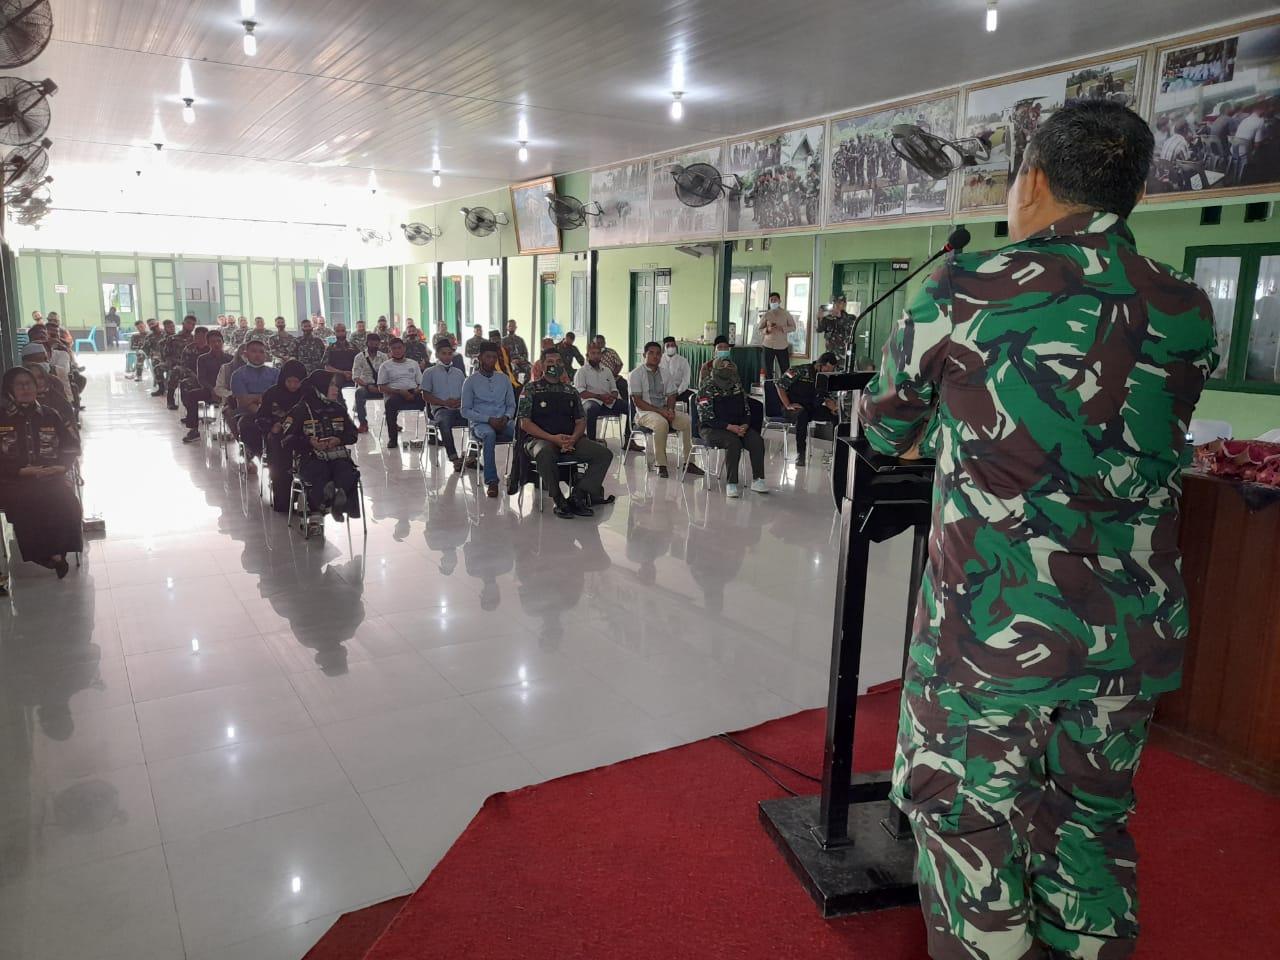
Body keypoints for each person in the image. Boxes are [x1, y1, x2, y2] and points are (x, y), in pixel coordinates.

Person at [858, 101, 1218, 960]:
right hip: (1129, 630)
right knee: (1089, 817)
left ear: (1035, 181)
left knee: (964, 817)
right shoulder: (1184, 305)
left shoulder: (964, 287)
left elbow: (883, 428)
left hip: (994, 627)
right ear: (1133, 194)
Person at [0, 367, 81, 578]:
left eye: (29, 383)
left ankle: (58, 553)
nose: (25, 388)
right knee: (27, 505)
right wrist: (19, 471)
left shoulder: (51, 415)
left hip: (50, 477)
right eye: (20, 385)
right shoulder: (2, 419)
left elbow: (72, 446)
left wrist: (61, 467)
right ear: (10, 390)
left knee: (68, 504)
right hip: (14, 481)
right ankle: (45, 555)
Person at [517, 346, 614, 518]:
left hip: (570, 439)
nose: (555, 365)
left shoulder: (570, 390)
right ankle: (559, 499)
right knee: (545, 453)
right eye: (550, 362)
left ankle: (578, 495)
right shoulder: (531, 389)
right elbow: (525, 423)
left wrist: (573, 438)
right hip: (540, 439)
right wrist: (552, 438)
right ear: (542, 365)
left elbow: (580, 421)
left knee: (603, 454)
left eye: (558, 361)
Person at [282, 371, 361, 523]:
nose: (336, 389)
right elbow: (286, 440)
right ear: (319, 387)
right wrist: (309, 442)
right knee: (320, 472)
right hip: (309, 458)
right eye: (332, 385)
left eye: (336, 385)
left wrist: (338, 440)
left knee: (346, 471)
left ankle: (333, 502)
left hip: (336, 456)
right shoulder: (301, 410)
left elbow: (353, 434)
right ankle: (327, 503)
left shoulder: (338, 409)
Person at [628, 341, 702, 479]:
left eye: (658, 354)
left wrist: (671, 410)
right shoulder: (635, 374)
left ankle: (689, 463)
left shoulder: (664, 372)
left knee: (687, 421)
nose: (655, 356)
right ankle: (661, 464)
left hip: (664, 411)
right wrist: (660, 411)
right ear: (644, 355)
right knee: (661, 423)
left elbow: (672, 394)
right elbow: (637, 401)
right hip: (644, 413)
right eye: (651, 353)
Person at [696, 356, 767, 498]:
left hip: (738, 427)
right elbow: (707, 417)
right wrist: (729, 427)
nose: (726, 369)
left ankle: (758, 479)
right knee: (733, 442)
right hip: (712, 428)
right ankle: (731, 483)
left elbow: (746, 410)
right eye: (722, 366)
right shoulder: (706, 387)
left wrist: (745, 425)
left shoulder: (737, 385)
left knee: (757, 441)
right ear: (715, 368)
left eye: (729, 366)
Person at [462, 341, 516, 498]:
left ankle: (517, 475)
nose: (491, 360)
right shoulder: (470, 381)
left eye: (494, 357)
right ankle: (492, 481)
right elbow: (465, 410)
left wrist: (506, 417)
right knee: (489, 434)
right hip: (481, 424)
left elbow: (511, 405)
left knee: (522, 432)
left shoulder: (504, 379)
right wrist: (488, 419)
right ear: (480, 358)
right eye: (487, 357)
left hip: (503, 421)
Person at [254, 359, 309, 510]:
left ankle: (305, 496)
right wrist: (272, 427)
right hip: (278, 438)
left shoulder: (307, 394)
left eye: (297, 382)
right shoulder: (272, 393)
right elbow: (260, 418)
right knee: (279, 453)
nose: (293, 385)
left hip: (303, 435)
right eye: (289, 381)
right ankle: (282, 495)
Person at [776, 351, 841, 463]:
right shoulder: (799, 370)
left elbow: (826, 397)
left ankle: (837, 452)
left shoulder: (825, 377)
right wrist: (788, 404)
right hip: (793, 408)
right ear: (820, 364)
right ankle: (800, 455)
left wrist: (834, 408)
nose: (829, 371)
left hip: (812, 407)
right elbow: (780, 385)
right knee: (802, 415)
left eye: (831, 369)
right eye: (827, 368)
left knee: (836, 416)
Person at [229, 340, 279, 474]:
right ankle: (258, 456)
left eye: (261, 352)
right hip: (248, 414)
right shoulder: (238, 375)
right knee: (248, 425)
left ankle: (279, 461)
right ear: (246, 354)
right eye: (254, 351)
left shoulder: (275, 373)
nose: (258, 355)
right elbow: (243, 401)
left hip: (273, 412)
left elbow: (277, 396)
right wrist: (263, 398)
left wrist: (253, 397)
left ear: (265, 355)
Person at [421, 340, 469, 471]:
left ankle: (472, 456)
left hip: (459, 408)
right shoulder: (429, 372)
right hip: (440, 409)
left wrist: (460, 401)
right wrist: (444, 402)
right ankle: (454, 458)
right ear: (437, 355)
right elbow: (425, 396)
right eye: (443, 353)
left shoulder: (458, 373)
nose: (447, 356)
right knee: (444, 422)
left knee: (478, 421)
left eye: (449, 353)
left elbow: (466, 393)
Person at [181, 329, 231, 443]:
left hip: (227, 391)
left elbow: (235, 377)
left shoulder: (230, 358)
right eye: (213, 342)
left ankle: (234, 431)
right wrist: (212, 390)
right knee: (192, 395)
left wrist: (226, 392)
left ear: (223, 342)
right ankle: (194, 430)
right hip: (210, 390)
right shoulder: (202, 359)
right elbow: (201, 379)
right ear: (208, 344)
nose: (216, 344)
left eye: (219, 341)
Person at [376, 337, 424, 448]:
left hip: (413, 392)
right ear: (390, 350)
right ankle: (393, 439)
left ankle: (432, 436)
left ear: (404, 348)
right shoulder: (385, 366)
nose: (397, 351)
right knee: (390, 405)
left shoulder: (413, 363)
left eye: (399, 348)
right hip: (395, 394)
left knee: (429, 400)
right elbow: (381, 387)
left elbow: (421, 384)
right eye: (394, 348)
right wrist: (400, 392)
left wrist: (414, 392)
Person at [574, 339, 625, 441]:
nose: (596, 356)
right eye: (593, 353)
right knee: (591, 408)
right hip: (590, 401)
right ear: (587, 355)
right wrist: (600, 397)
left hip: (608, 402)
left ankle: (628, 439)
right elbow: (582, 393)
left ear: (601, 355)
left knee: (628, 406)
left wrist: (612, 397)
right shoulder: (582, 372)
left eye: (598, 353)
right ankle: (591, 441)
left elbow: (614, 389)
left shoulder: (607, 371)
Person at [758, 291, 797, 379]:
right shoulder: (767, 314)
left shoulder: (786, 313)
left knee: (785, 370)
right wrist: (767, 330)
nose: (773, 302)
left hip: (782, 345)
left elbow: (793, 327)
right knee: (767, 370)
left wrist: (782, 328)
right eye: (771, 300)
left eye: (775, 300)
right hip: (768, 345)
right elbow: (759, 329)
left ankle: (785, 386)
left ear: (779, 301)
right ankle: (769, 386)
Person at [351, 333, 384, 432]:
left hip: (381, 385)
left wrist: (381, 387)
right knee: (359, 393)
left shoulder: (383, 357)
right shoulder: (359, 357)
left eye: (376, 344)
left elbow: (388, 375)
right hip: (365, 385)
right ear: (367, 343)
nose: (374, 346)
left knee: (393, 394)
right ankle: (363, 423)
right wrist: (367, 386)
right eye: (371, 344)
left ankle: (393, 421)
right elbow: (356, 377)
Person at [162, 315, 196, 409]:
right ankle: (170, 400)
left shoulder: (195, 339)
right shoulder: (172, 338)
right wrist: (172, 363)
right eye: (188, 323)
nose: (190, 326)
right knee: (176, 371)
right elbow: (167, 355)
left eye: (193, 324)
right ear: (183, 324)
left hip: (191, 366)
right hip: (177, 364)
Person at [817, 295, 854, 364]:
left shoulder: (851, 318)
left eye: (839, 303)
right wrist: (820, 318)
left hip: (844, 357)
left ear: (845, 304)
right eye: (834, 303)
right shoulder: (828, 318)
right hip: (830, 357)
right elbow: (819, 329)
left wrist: (839, 315)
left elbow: (849, 328)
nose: (837, 305)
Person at [322, 322, 358, 388]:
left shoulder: (354, 347)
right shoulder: (330, 348)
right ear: (334, 333)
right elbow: (327, 367)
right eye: (338, 331)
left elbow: (361, 363)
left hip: (354, 375)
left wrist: (353, 373)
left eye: (342, 331)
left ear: (346, 332)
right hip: (337, 376)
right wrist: (343, 373)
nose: (341, 333)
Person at [659, 336, 692, 401]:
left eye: (672, 345)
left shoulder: (683, 361)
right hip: (662, 392)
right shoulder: (659, 360)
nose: (670, 347)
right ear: (663, 347)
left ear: (676, 346)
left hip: (679, 391)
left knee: (692, 397)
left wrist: (678, 392)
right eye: (668, 346)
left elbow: (686, 380)